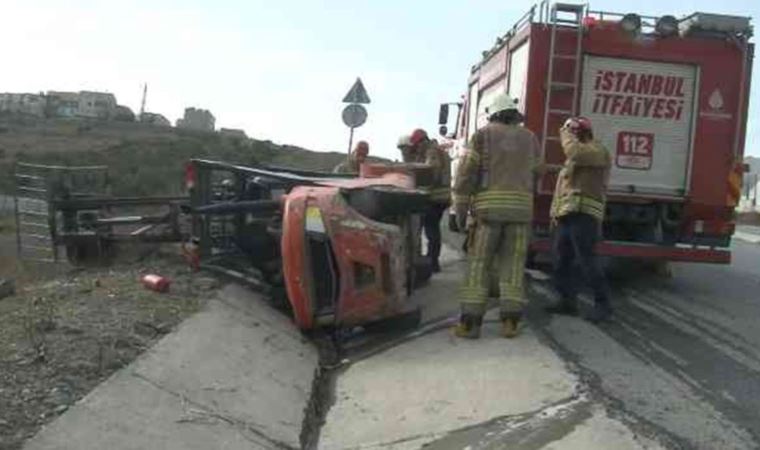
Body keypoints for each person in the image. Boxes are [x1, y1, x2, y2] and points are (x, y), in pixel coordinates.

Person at [452, 94, 541, 339]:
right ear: (514, 114)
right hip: (521, 212)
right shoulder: (531, 138)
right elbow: (538, 171)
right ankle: (510, 323)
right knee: (512, 266)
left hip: (488, 213)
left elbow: (465, 174)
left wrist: (460, 212)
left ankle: (470, 325)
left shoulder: (482, 135)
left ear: (493, 113)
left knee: (479, 265)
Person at [546, 116, 612, 323]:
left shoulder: (596, 150)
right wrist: (554, 215)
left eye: (571, 133)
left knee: (587, 261)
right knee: (562, 260)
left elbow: (575, 151)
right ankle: (567, 301)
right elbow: (561, 191)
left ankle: (603, 305)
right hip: (567, 215)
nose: (566, 138)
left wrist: (565, 133)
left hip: (584, 217)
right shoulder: (574, 158)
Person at [399, 129, 451, 272]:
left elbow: (432, 171)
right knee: (433, 229)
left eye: (417, 145)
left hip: (435, 197)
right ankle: (432, 261)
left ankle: (432, 262)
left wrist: (418, 177)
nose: (417, 148)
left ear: (423, 141)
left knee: (431, 230)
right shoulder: (438, 150)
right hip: (443, 196)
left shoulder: (431, 151)